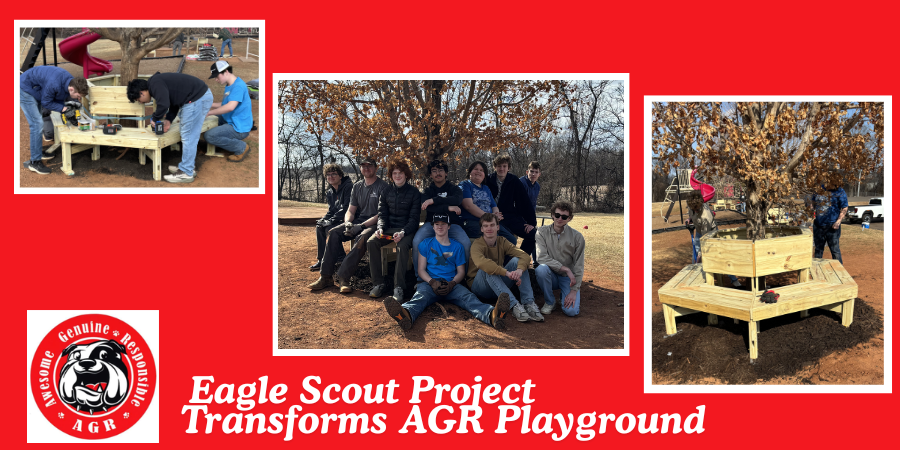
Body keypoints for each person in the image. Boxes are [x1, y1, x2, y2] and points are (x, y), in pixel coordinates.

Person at [383, 214, 511, 332]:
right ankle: (405, 314)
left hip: (452, 284)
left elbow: (461, 272)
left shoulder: (457, 247)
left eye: (443, 224)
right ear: (432, 226)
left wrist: (452, 284)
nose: (440, 226)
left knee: (469, 298)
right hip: (429, 283)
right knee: (420, 297)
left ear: (449, 226)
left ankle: (492, 315)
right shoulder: (425, 244)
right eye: (437, 224)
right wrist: (432, 282)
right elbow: (421, 270)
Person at [308, 157, 389, 293]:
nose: (366, 168)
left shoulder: (383, 187)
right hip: (357, 221)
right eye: (363, 166)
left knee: (362, 238)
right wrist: (348, 223)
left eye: (370, 166)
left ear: (376, 168)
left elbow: (381, 214)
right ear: (360, 168)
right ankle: (325, 276)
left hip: (374, 224)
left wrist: (361, 227)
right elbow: (351, 210)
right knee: (333, 232)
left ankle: (343, 278)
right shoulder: (357, 186)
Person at [127, 72, 213, 183]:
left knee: (188, 136)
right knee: (188, 135)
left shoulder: (154, 84)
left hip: (196, 99)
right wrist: (168, 120)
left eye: (138, 100)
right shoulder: (157, 83)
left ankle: (186, 172)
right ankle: (187, 167)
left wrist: (154, 118)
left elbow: (164, 104)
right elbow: (174, 102)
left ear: (141, 93)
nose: (140, 102)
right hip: (197, 97)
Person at [468, 213, 543, 322]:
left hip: (498, 285)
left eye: (492, 225)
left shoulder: (502, 241)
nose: (489, 228)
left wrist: (519, 271)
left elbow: (524, 256)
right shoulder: (477, 244)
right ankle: (514, 306)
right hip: (480, 287)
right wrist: (507, 273)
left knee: (517, 261)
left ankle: (528, 303)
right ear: (482, 229)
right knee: (487, 268)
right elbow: (482, 263)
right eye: (486, 226)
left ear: (497, 227)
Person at [367, 160, 422, 300]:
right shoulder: (386, 192)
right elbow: (382, 215)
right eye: (394, 173)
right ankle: (378, 284)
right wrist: (380, 228)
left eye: (400, 173)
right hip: (388, 230)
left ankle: (398, 287)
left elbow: (414, 219)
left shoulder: (414, 192)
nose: (397, 176)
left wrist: (403, 232)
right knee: (372, 242)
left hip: (406, 231)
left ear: (406, 175)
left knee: (402, 246)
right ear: (391, 175)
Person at [20, 66, 89, 175]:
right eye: (78, 96)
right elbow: (46, 103)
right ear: (71, 89)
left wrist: (67, 111)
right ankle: (34, 162)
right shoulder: (55, 84)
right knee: (37, 124)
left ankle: (37, 152)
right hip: (25, 89)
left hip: (36, 88)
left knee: (38, 121)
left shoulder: (70, 81)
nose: (78, 98)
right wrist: (64, 109)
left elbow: (59, 97)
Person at [412, 160, 471, 279]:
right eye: (434, 171)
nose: (437, 173)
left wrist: (434, 200)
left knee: (465, 243)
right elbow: (427, 207)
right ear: (430, 175)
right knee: (417, 242)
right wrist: (448, 207)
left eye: (440, 170)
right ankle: (420, 278)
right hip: (431, 224)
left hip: (452, 224)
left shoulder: (454, 189)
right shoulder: (427, 191)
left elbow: (457, 200)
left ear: (446, 173)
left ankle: (464, 277)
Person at [535, 201, 585, 317]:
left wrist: (574, 290)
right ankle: (550, 301)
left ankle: (565, 294)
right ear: (552, 215)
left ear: (570, 218)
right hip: (550, 274)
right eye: (557, 215)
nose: (559, 219)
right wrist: (565, 269)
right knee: (541, 269)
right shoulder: (541, 232)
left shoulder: (577, 237)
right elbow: (541, 257)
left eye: (564, 217)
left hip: (568, 279)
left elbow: (579, 265)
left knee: (571, 311)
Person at [685, 191, 741, 287]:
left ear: (701, 204)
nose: (696, 211)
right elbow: (692, 213)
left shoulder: (705, 216)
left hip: (711, 233)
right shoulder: (692, 207)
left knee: (720, 256)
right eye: (693, 209)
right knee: (695, 258)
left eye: (697, 209)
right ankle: (695, 278)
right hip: (699, 232)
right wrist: (690, 218)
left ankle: (734, 279)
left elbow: (705, 239)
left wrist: (700, 254)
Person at [486, 154, 537, 255]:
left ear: (508, 168)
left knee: (533, 234)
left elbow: (524, 201)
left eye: (504, 166)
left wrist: (531, 222)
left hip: (508, 216)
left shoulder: (513, 180)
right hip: (490, 216)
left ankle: (520, 259)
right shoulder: (488, 180)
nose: (501, 169)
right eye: (499, 166)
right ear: (495, 167)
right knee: (506, 239)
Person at [203, 61, 254, 162]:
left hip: (239, 127)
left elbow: (230, 107)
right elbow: (225, 105)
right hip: (231, 120)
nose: (216, 80)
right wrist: (208, 105)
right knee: (210, 120)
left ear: (226, 72)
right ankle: (224, 139)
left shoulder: (238, 86)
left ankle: (241, 147)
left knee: (209, 135)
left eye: (217, 76)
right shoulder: (230, 85)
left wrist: (209, 112)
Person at [310, 163, 353, 271]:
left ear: (340, 176)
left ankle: (340, 258)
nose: (331, 177)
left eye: (334, 174)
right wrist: (324, 219)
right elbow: (332, 210)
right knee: (320, 226)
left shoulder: (349, 187)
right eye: (328, 175)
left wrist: (330, 221)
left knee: (330, 228)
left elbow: (346, 208)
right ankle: (321, 259)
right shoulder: (330, 192)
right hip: (338, 219)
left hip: (351, 219)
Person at [459, 161, 509, 241]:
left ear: (484, 175)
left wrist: (495, 215)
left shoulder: (486, 188)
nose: (478, 171)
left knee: (511, 239)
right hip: (472, 221)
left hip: (489, 221)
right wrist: (490, 217)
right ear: (470, 172)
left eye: (482, 170)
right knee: (495, 238)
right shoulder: (465, 184)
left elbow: (494, 206)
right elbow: (468, 206)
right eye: (476, 169)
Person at [811, 182, 848, 264]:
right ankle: (816, 271)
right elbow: (813, 203)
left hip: (832, 226)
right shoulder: (819, 189)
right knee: (818, 250)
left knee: (835, 251)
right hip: (818, 225)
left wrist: (838, 221)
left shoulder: (840, 191)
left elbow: (844, 207)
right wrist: (810, 209)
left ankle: (839, 272)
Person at [520, 161, 542, 266]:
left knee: (535, 235)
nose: (533, 174)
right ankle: (517, 260)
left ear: (539, 174)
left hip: (529, 218)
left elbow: (533, 205)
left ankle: (535, 261)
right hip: (517, 216)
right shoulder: (521, 183)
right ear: (527, 172)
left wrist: (532, 221)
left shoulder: (537, 186)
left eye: (536, 172)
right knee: (511, 238)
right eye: (531, 171)